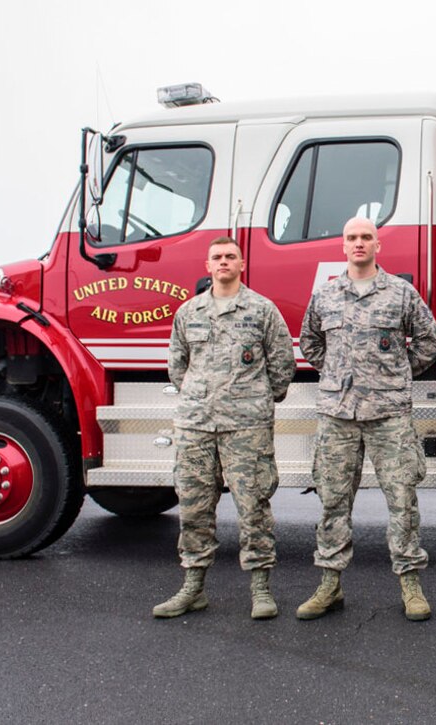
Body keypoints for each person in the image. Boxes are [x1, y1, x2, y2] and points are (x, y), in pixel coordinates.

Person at [296, 217, 436, 622]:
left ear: (378, 244)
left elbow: (430, 342)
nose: (358, 244)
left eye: (365, 237)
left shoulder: (400, 293)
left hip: (389, 414)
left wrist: (394, 375)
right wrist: (336, 376)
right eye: (351, 238)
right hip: (338, 416)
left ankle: (411, 584)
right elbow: (310, 341)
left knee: (403, 502)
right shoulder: (326, 295)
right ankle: (329, 584)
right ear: (342, 246)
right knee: (333, 502)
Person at [153, 236, 295, 620]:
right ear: (207, 265)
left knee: (254, 508)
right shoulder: (189, 312)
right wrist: (201, 399)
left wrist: (258, 400)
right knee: (194, 508)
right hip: (196, 426)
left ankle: (261, 590)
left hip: (246, 426)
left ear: (242, 264)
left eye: (231, 256)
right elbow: (177, 366)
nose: (224, 262)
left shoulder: (262, 311)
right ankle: (193, 588)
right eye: (217, 257)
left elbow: (283, 364)